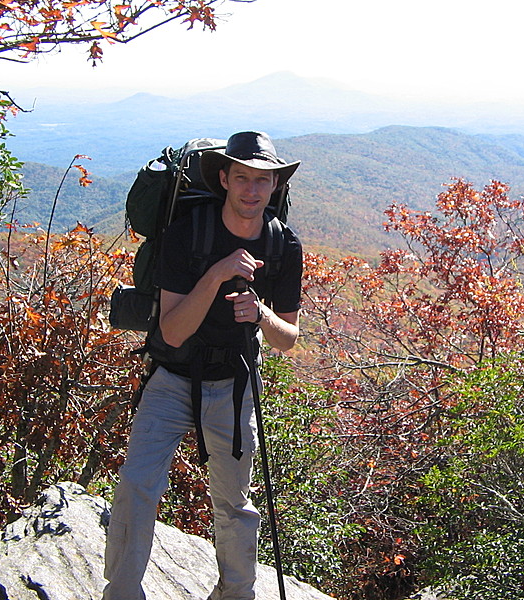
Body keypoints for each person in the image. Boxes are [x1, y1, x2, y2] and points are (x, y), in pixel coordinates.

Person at [102, 131, 303, 600]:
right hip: (172, 378)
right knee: (137, 489)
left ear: (275, 186)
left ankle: (236, 595)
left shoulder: (282, 245)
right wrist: (216, 274)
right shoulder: (188, 234)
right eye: (242, 178)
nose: (252, 190)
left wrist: (260, 313)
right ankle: (122, 594)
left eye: (262, 180)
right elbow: (170, 332)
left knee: (234, 504)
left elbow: (288, 339)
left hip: (233, 386)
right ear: (224, 179)